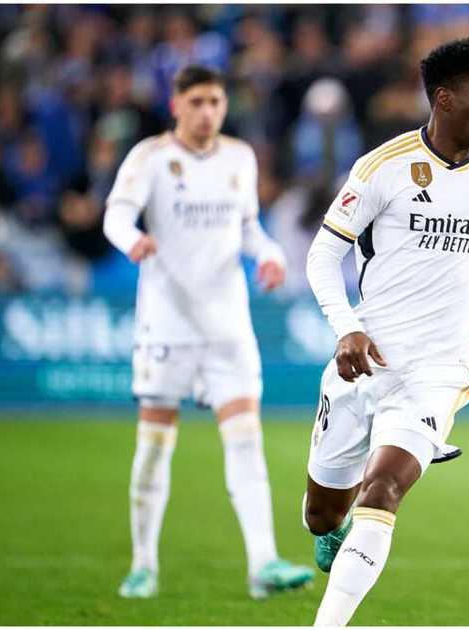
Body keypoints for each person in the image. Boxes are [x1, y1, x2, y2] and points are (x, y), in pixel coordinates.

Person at [302, 38, 469, 627]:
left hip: (438, 370)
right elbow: (320, 256)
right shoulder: (383, 168)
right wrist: (348, 328)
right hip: (363, 364)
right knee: (322, 514)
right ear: (443, 98)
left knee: (382, 489)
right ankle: (331, 536)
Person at [102, 65, 314, 600]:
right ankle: (143, 564)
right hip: (167, 326)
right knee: (153, 447)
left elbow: (247, 227)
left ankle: (263, 563)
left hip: (228, 328)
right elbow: (115, 215)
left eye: (215, 102)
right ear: (176, 105)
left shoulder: (240, 157)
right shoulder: (150, 157)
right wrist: (132, 240)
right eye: (196, 102)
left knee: (246, 443)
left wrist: (267, 253)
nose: (207, 112)